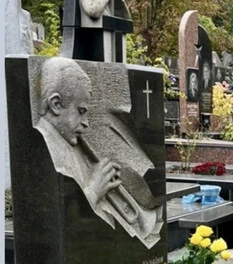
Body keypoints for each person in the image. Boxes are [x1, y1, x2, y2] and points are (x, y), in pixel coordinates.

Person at [35, 57, 163, 249]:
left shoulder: (69, 141)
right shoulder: (42, 145)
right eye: (81, 111)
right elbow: (53, 224)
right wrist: (94, 190)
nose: (86, 122)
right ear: (56, 104)